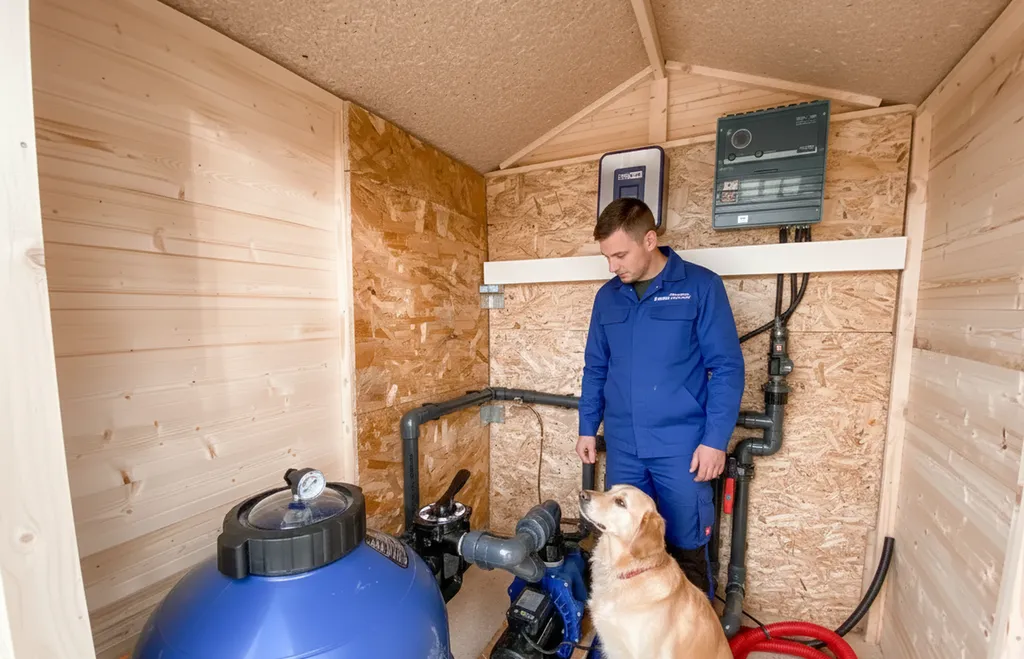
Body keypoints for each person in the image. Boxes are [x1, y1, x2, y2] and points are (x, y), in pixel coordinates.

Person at [576, 197, 745, 599]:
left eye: (620, 255)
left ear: (649, 240)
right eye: (607, 257)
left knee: (686, 544)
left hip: (681, 448)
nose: (612, 266)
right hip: (625, 447)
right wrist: (587, 427)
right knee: (623, 546)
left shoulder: (700, 287)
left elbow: (726, 367)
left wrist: (715, 440)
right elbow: (596, 367)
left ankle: (693, 629)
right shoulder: (607, 298)